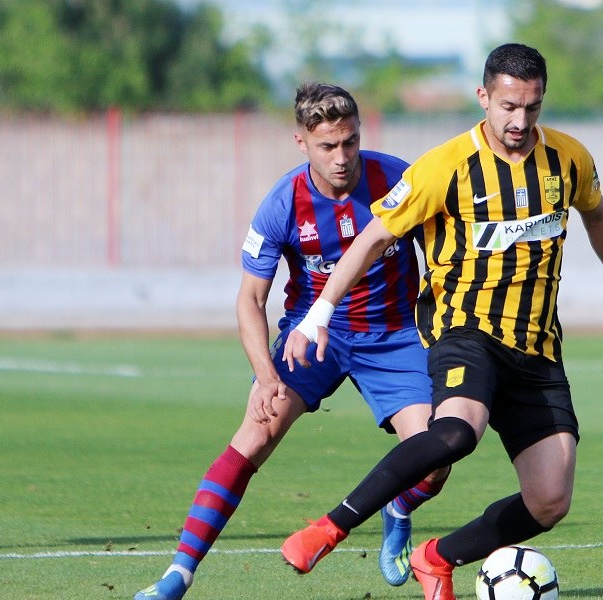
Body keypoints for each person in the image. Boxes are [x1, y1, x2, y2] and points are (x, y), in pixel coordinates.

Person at [279, 44, 603, 600]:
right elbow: (374, 236)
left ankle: (436, 558)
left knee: (549, 501)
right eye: (508, 106)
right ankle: (329, 528)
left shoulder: (569, 159)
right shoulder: (445, 166)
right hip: (465, 330)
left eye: (531, 107)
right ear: (484, 97)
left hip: (536, 348)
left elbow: (597, 213)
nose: (520, 120)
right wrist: (320, 311)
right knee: (457, 432)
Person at [134, 83, 449, 600]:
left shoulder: (397, 179)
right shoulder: (282, 204)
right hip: (312, 335)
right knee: (255, 434)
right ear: (301, 142)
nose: (342, 157)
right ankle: (177, 575)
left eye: (350, 141)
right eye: (328, 146)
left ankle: (398, 508)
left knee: (435, 459)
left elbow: (443, 255)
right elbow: (249, 300)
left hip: (394, 336)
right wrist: (265, 376)